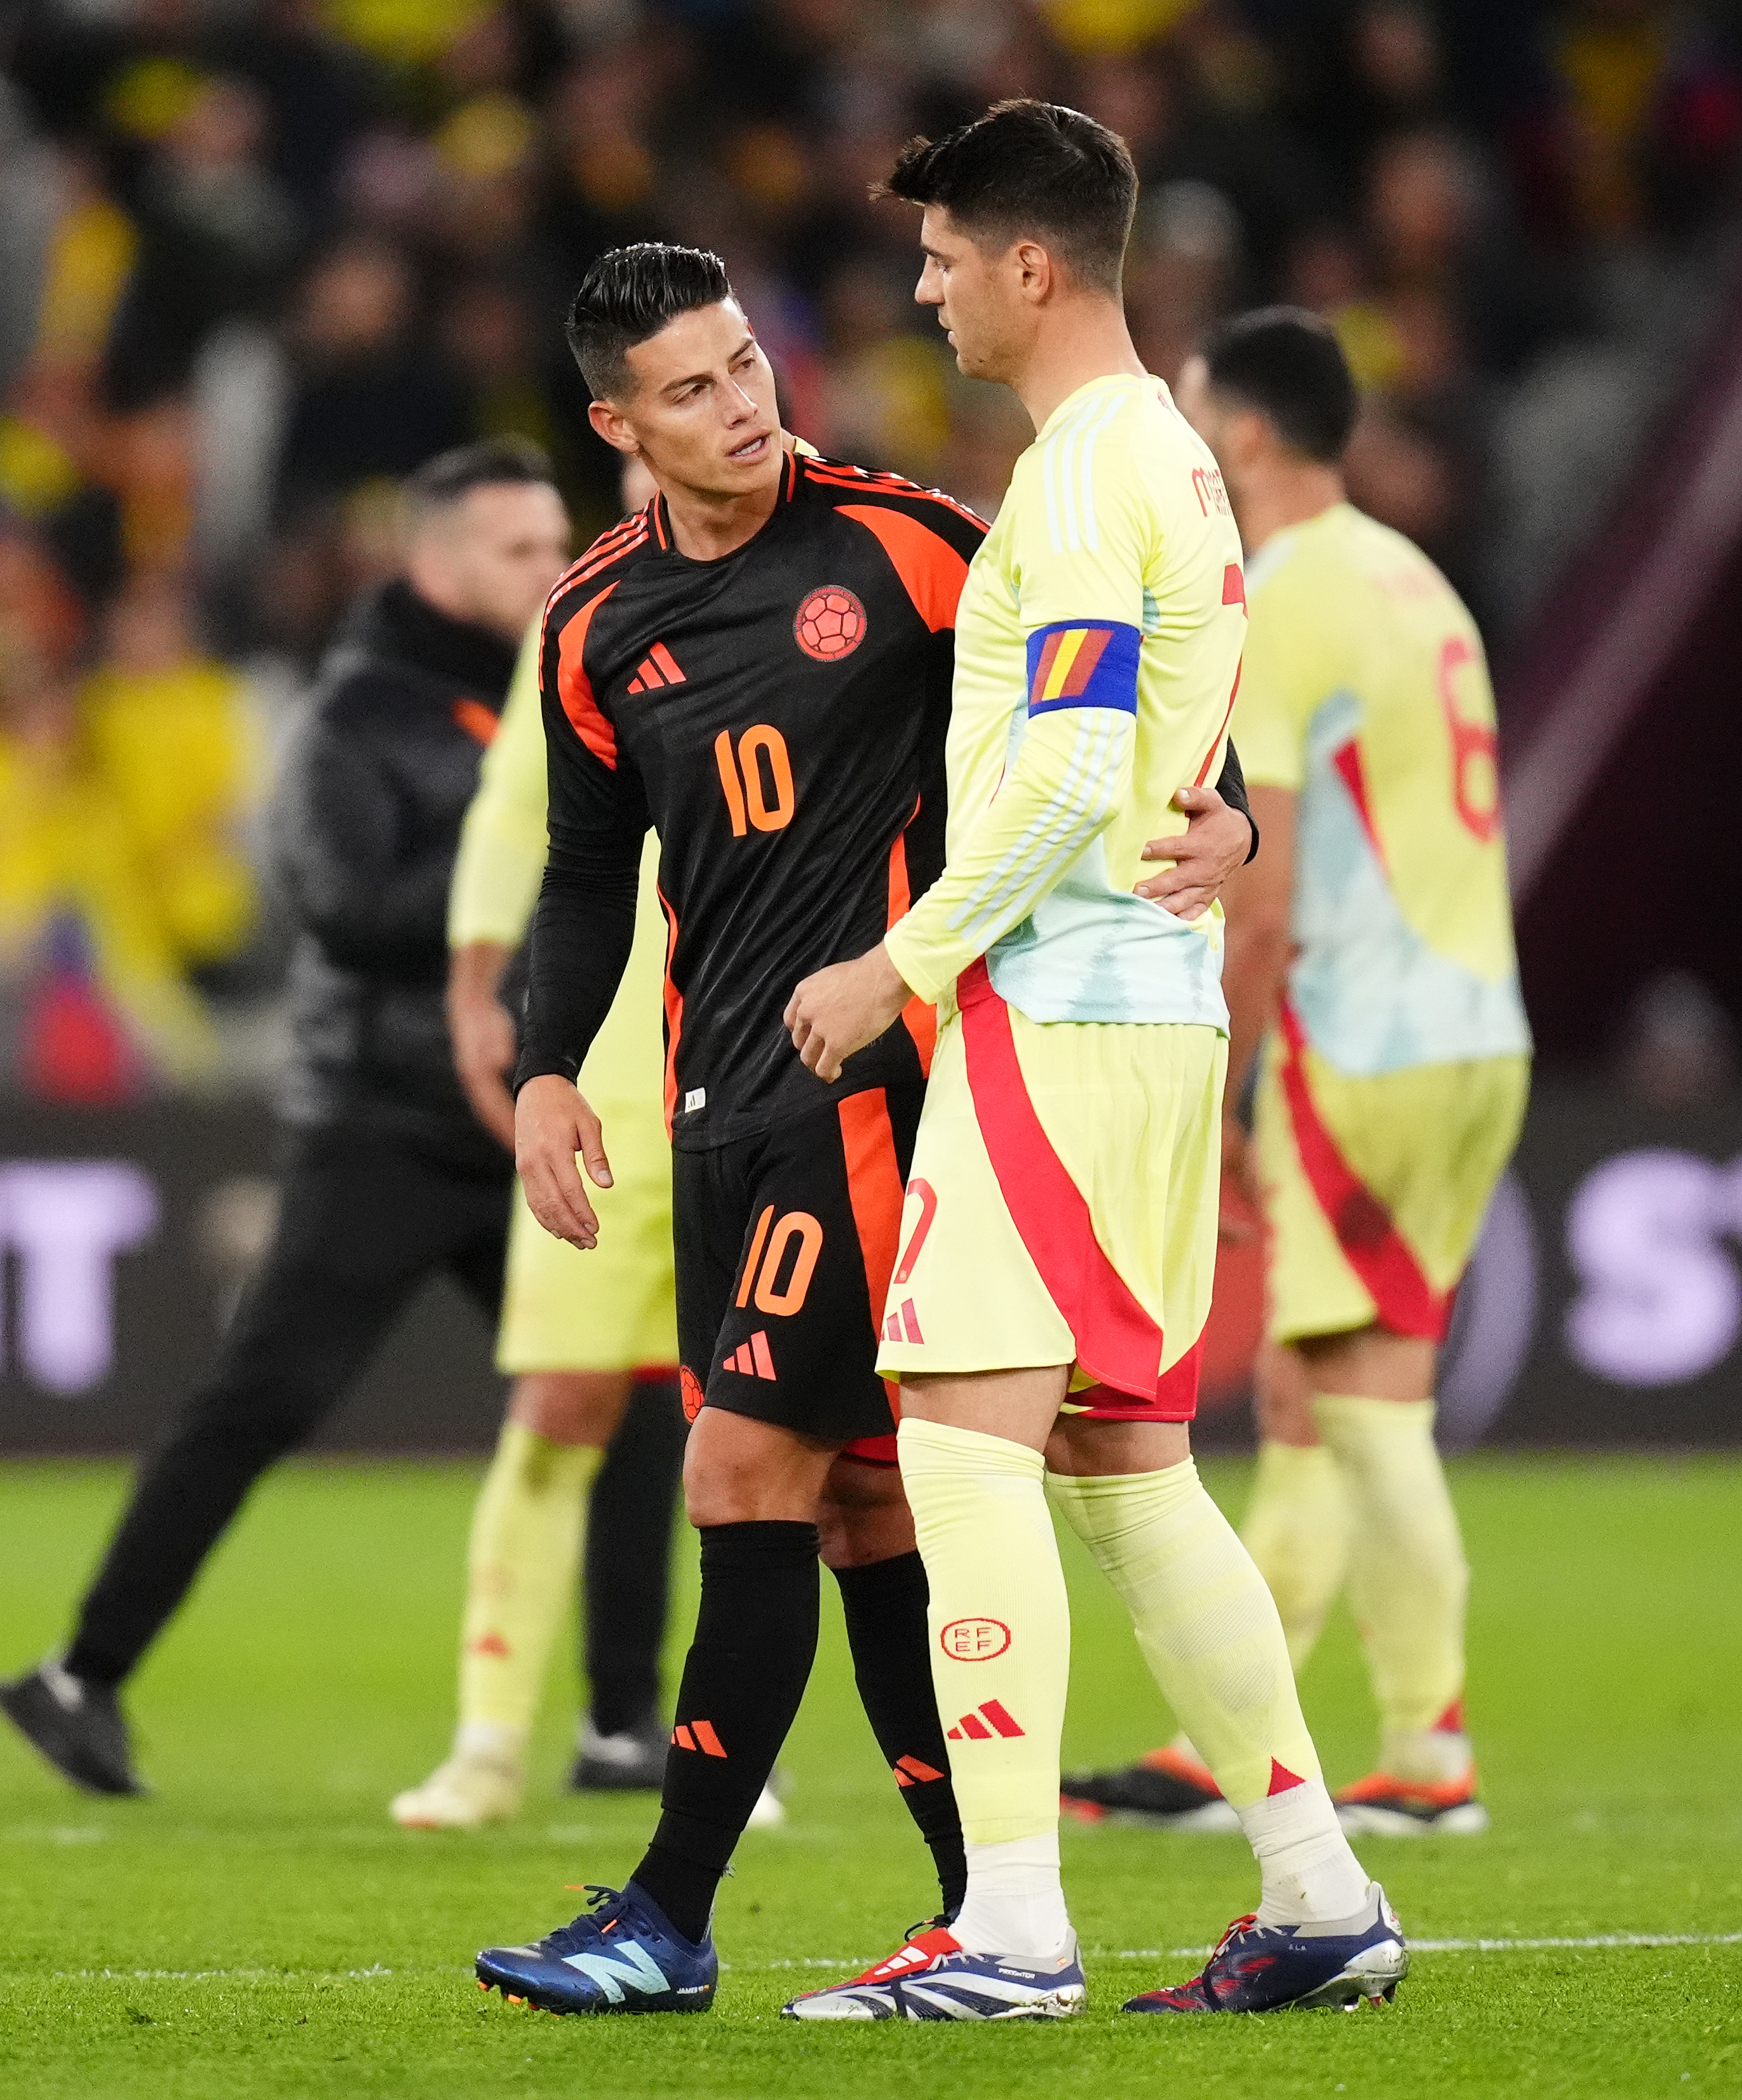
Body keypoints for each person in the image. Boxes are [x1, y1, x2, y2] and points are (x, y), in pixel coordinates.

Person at [469, 240, 1257, 2018]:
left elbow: (1128, 664)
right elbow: (592, 867)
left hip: (880, 1090)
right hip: (713, 1098)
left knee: (740, 1472)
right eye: (689, 389)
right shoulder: (595, 625)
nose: (740, 406)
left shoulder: (903, 541)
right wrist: (540, 1067)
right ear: (618, 423)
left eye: (745, 364)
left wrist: (1233, 819)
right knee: (861, 1514)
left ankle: (668, 1914)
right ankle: (988, 1909)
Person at [778, 103, 1406, 2021]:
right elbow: (1156, 752)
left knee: (960, 1450)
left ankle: (1010, 1931)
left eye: (944, 256)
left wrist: (902, 961)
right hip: (1156, 1014)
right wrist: (1200, 817)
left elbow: (1060, 764)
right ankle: (1314, 1890)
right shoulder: (1184, 466)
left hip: (1047, 1014)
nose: (922, 289)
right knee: (1128, 1465)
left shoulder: (1070, 474)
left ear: (1030, 266)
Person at [0, 441, 661, 1798]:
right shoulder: (353, 716)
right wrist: (546, 838)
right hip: (392, 1115)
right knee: (268, 1395)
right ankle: (82, 1673)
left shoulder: (571, 689)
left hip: (531, 1109)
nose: (552, 570)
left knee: (629, 1400)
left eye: (557, 544)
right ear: (436, 561)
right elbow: (347, 907)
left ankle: (619, 1726)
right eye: (518, 550)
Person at [1059, 308, 1530, 1839]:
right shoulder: (1416, 578)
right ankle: (1236, 1741)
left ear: (1244, 435)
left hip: (1365, 1034)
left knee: (1365, 1396)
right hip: (1475, 1032)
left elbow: (1254, 882)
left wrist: (1230, 1081)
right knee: (1320, 1384)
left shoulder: (1284, 591)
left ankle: (1427, 1750)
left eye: (1198, 413)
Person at [389, 582, 774, 1830]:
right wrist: (474, 988)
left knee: (771, 1428)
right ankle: (488, 1742)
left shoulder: (835, 576)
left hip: (772, 1063)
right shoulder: (588, 613)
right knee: (561, 1397)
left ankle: (734, 1747)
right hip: (612, 1066)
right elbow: (520, 817)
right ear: (623, 425)